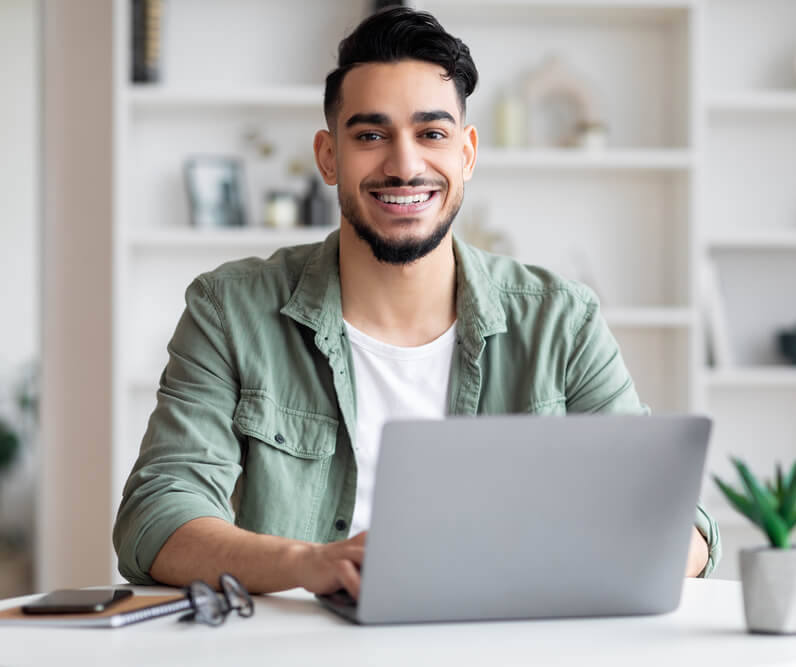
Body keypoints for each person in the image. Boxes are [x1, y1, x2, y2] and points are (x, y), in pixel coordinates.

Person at [113, 7, 720, 598]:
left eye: (431, 133)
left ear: (467, 153)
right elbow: (157, 518)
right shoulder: (230, 308)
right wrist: (312, 563)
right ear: (329, 156)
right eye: (371, 135)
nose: (404, 166)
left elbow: (682, 528)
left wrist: (554, 566)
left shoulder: (562, 319)